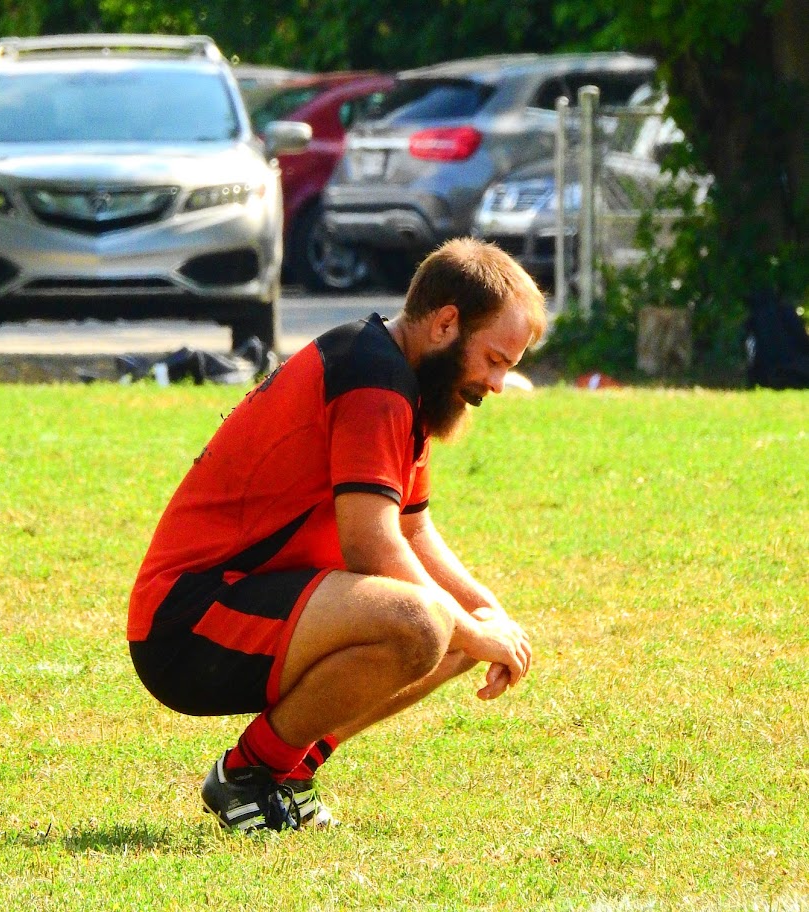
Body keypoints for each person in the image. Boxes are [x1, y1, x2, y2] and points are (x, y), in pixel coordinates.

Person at [128, 238, 547, 832]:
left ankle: (288, 773)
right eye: (496, 360)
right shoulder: (372, 377)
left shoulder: (401, 375)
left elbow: (413, 528)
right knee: (427, 622)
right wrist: (474, 630)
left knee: (457, 622)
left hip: (239, 603)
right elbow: (371, 546)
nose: (498, 384)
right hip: (186, 620)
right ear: (446, 323)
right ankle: (249, 774)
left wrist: (488, 615)